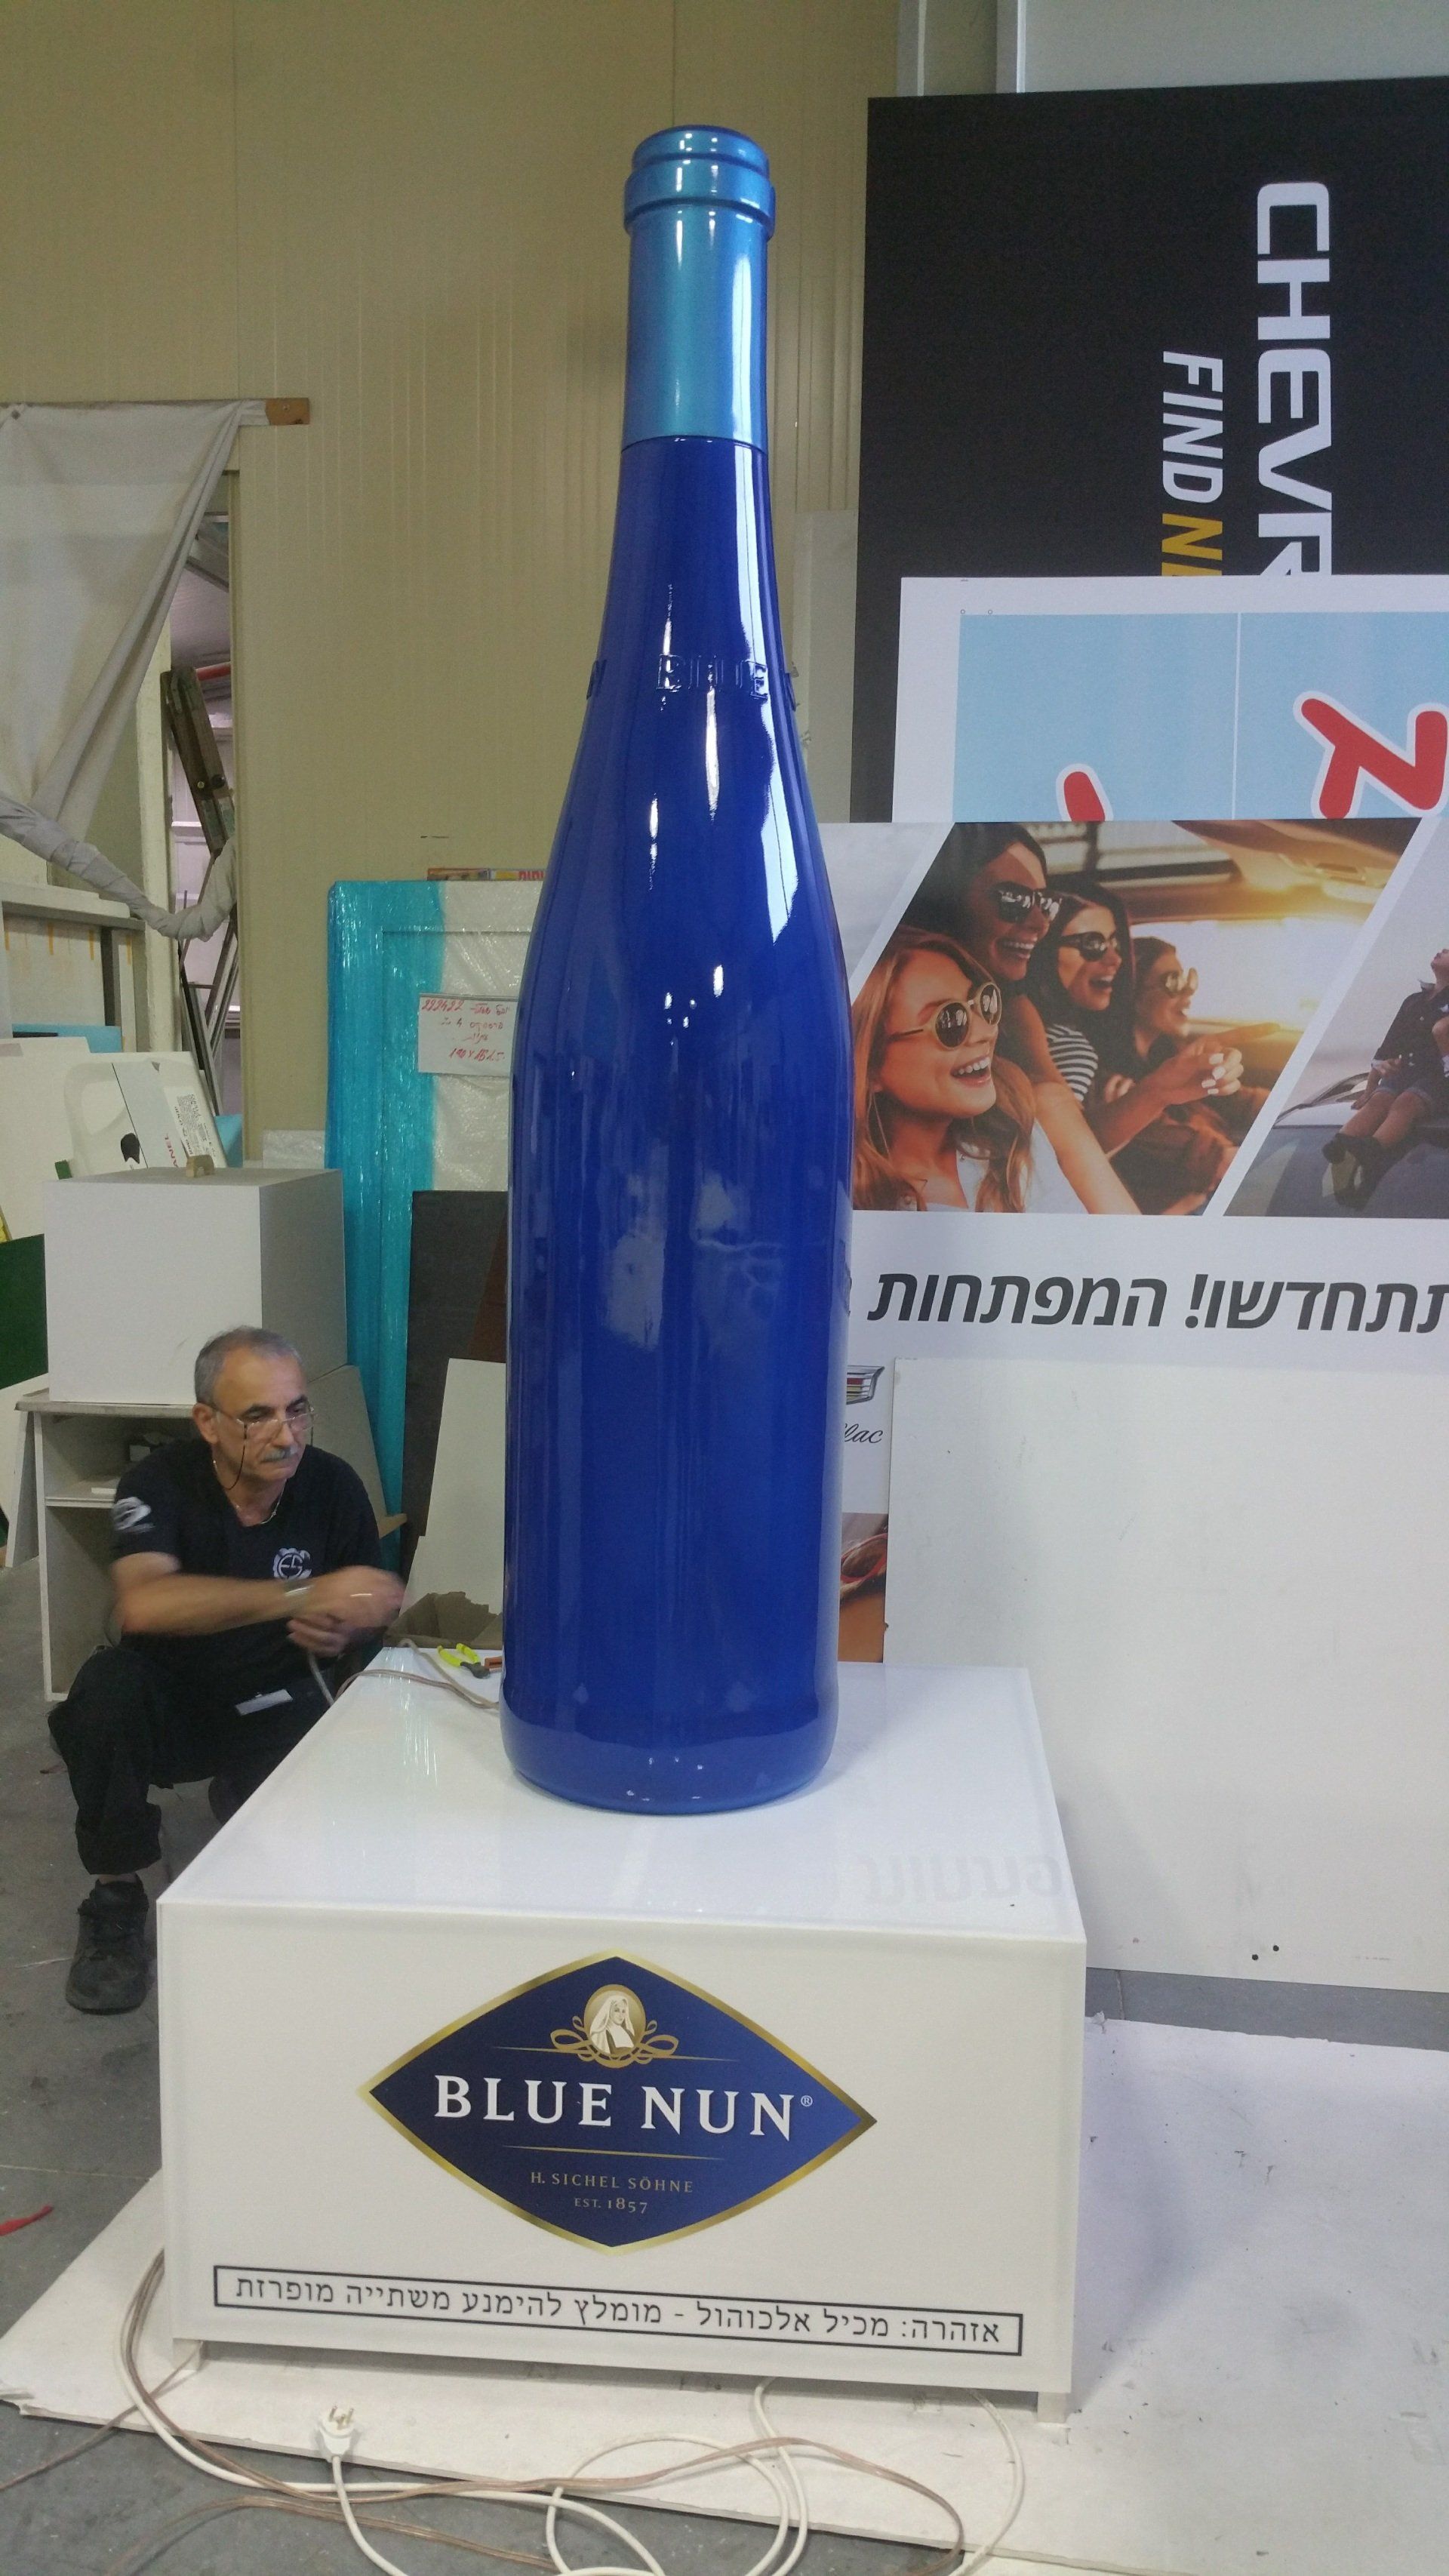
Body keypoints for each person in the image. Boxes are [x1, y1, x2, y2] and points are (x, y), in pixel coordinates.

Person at [50, 1326, 403, 2014]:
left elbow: (376, 1601)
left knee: (305, 1905)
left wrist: (349, 1624)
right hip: (174, 1702)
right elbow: (145, 1602)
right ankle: (116, 1897)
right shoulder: (159, 1483)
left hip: (283, 1702)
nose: (286, 1435)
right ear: (207, 1422)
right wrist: (302, 1594)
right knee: (105, 1693)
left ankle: (248, 1798)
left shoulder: (332, 1485)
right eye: (258, 1416)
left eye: (297, 1410)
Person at [906, 827, 1135, 1211]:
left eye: (1044, 903)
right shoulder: (885, 987)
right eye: (1013, 899)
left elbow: (1068, 1131)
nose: (1040, 923)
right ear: (947, 897)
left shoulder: (1016, 1006)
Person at [1026, 899, 1246, 1212]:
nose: (1115, 960)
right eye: (1092, 944)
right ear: (1133, 990)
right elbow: (1061, 1156)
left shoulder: (1162, 1056)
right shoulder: (1087, 1059)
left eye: (1116, 945)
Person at [852, 928, 1081, 1211]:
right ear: (869, 1066)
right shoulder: (856, 1200)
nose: (985, 1032)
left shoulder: (1014, 1133)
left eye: (984, 1003)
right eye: (949, 1021)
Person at [1323, 944, 1449, 1206]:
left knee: (1405, 1103)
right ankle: (1342, 1146)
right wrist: (1369, 1090)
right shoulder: (1414, 1001)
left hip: (1439, 1078)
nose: (1442, 950)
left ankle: (1373, 1152)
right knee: (1379, 1101)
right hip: (1406, 1072)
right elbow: (1389, 1046)